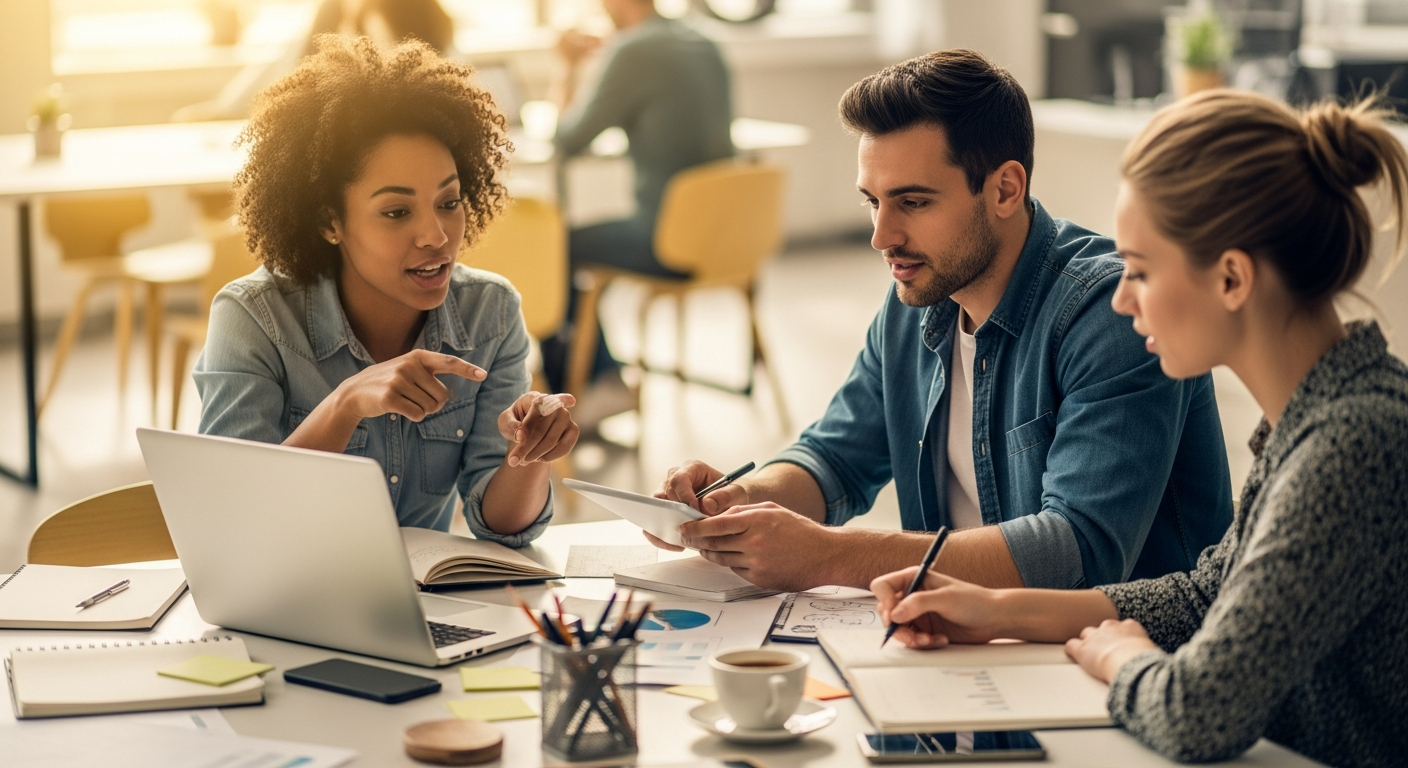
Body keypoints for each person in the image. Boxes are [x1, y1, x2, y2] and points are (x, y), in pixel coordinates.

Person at [872, 90, 1408, 768]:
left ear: (1232, 279)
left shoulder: (1353, 446)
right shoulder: (1314, 420)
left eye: (1142, 271)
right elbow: (1205, 595)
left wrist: (1122, 656)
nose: (1122, 299)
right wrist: (996, 609)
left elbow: (1198, 711)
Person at [651, 49, 1233, 592]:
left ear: (1005, 189)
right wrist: (735, 501)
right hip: (965, 635)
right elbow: (835, 458)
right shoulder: (919, 299)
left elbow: (1078, 550)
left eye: (913, 202)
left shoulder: (1110, 313)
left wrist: (830, 554)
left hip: (1108, 652)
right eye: (873, 202)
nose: (882, 236)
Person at [195, 36, 577, 546]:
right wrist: (345, 403)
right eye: (396, 212)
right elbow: (236, 519)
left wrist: (530, 453)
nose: (436, 236)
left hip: (423, 592)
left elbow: (503, 527)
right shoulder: (253, 318)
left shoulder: (490, 311)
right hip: (295, 586)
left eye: (449, 202)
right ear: (329, 222)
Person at [540, 0, 734, 391]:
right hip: (727, 237)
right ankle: (595, 373)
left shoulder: (633, 50)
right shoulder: (703, 40)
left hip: (668, 240)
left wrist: (568, 66)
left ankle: (599, 383)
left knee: (550, 248)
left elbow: (568, 138)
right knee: (574, 249)